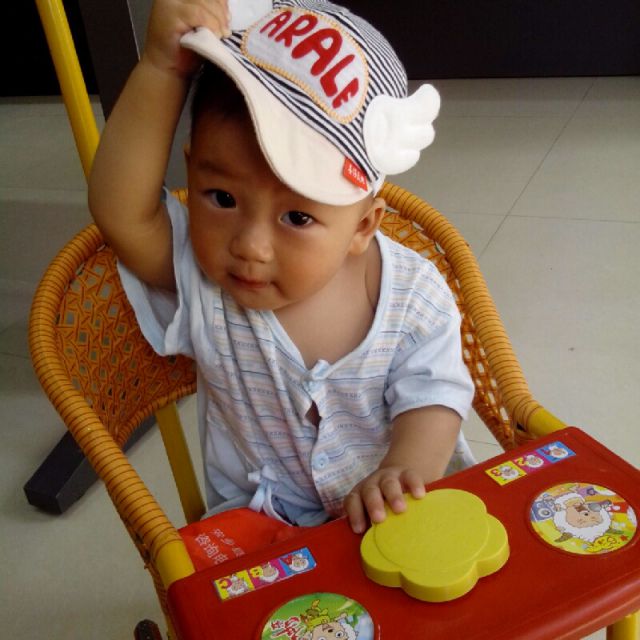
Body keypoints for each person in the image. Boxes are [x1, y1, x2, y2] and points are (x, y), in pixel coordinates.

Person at [88, 0, 476, 535]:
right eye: (222, 198)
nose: (250, 246)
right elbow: (121, 213)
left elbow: (434, 398)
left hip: (400, 518)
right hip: (265, 527)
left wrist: (400, 470)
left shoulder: (413, 296)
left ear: (363, 225)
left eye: (296, 216)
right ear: (191, 170)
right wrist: (160, 68)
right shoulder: (200, 280)